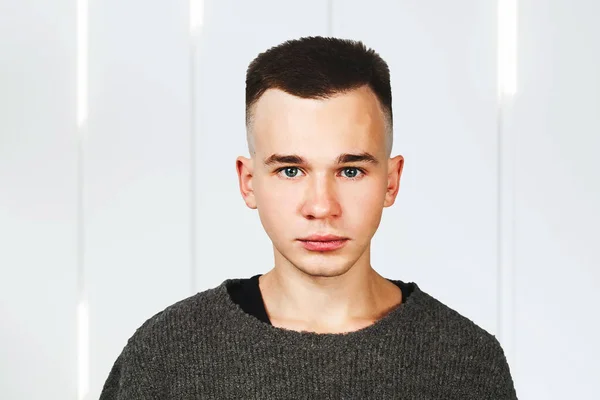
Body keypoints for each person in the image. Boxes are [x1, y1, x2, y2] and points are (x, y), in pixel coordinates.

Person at [99, 36, 518, 399]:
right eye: (291, 170)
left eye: (350, 170)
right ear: (248, 182)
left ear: (391, 181)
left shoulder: (467, 362)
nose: (321, 206)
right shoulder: (166, 355)